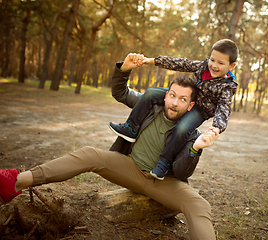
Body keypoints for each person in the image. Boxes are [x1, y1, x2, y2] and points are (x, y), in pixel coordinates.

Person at [0, 53, 219, 240]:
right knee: (89, 154)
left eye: (182, 99)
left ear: (190, 106)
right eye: (171, 95)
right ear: (165, 95)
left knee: (200, 206)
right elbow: (121, 93)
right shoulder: (150, 105)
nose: (173, 102)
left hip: (165, 182)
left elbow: (182, 171)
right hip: (130, 168)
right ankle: (16, 182)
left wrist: (195, 148)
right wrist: (124, 70)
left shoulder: (191, 133)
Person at [109, 39, 238, 180]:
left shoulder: (227, 87)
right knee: (151, 93)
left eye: (220, 63)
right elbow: (179, 63)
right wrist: (150, 60)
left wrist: (217, 128)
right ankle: (131, 128)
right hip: (185, 96)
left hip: (199, 110)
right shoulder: (203, 66)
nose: (214, 65)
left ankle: (164, 162)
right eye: (212, 60)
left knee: (182, 128)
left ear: (232, 66)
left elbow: (224, 109)